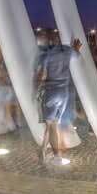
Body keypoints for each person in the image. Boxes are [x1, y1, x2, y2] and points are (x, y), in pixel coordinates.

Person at [33, 29, 82, 159]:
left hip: (51, 92)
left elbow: (41, 76)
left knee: (52, 125)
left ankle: (56, 155)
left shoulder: (46, 55)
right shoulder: (67, 50)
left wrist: (37, 86)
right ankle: (43, 150)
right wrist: (76, 48)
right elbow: (77, 55)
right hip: (63, 94)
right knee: (51, 125)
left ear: (49, 41)